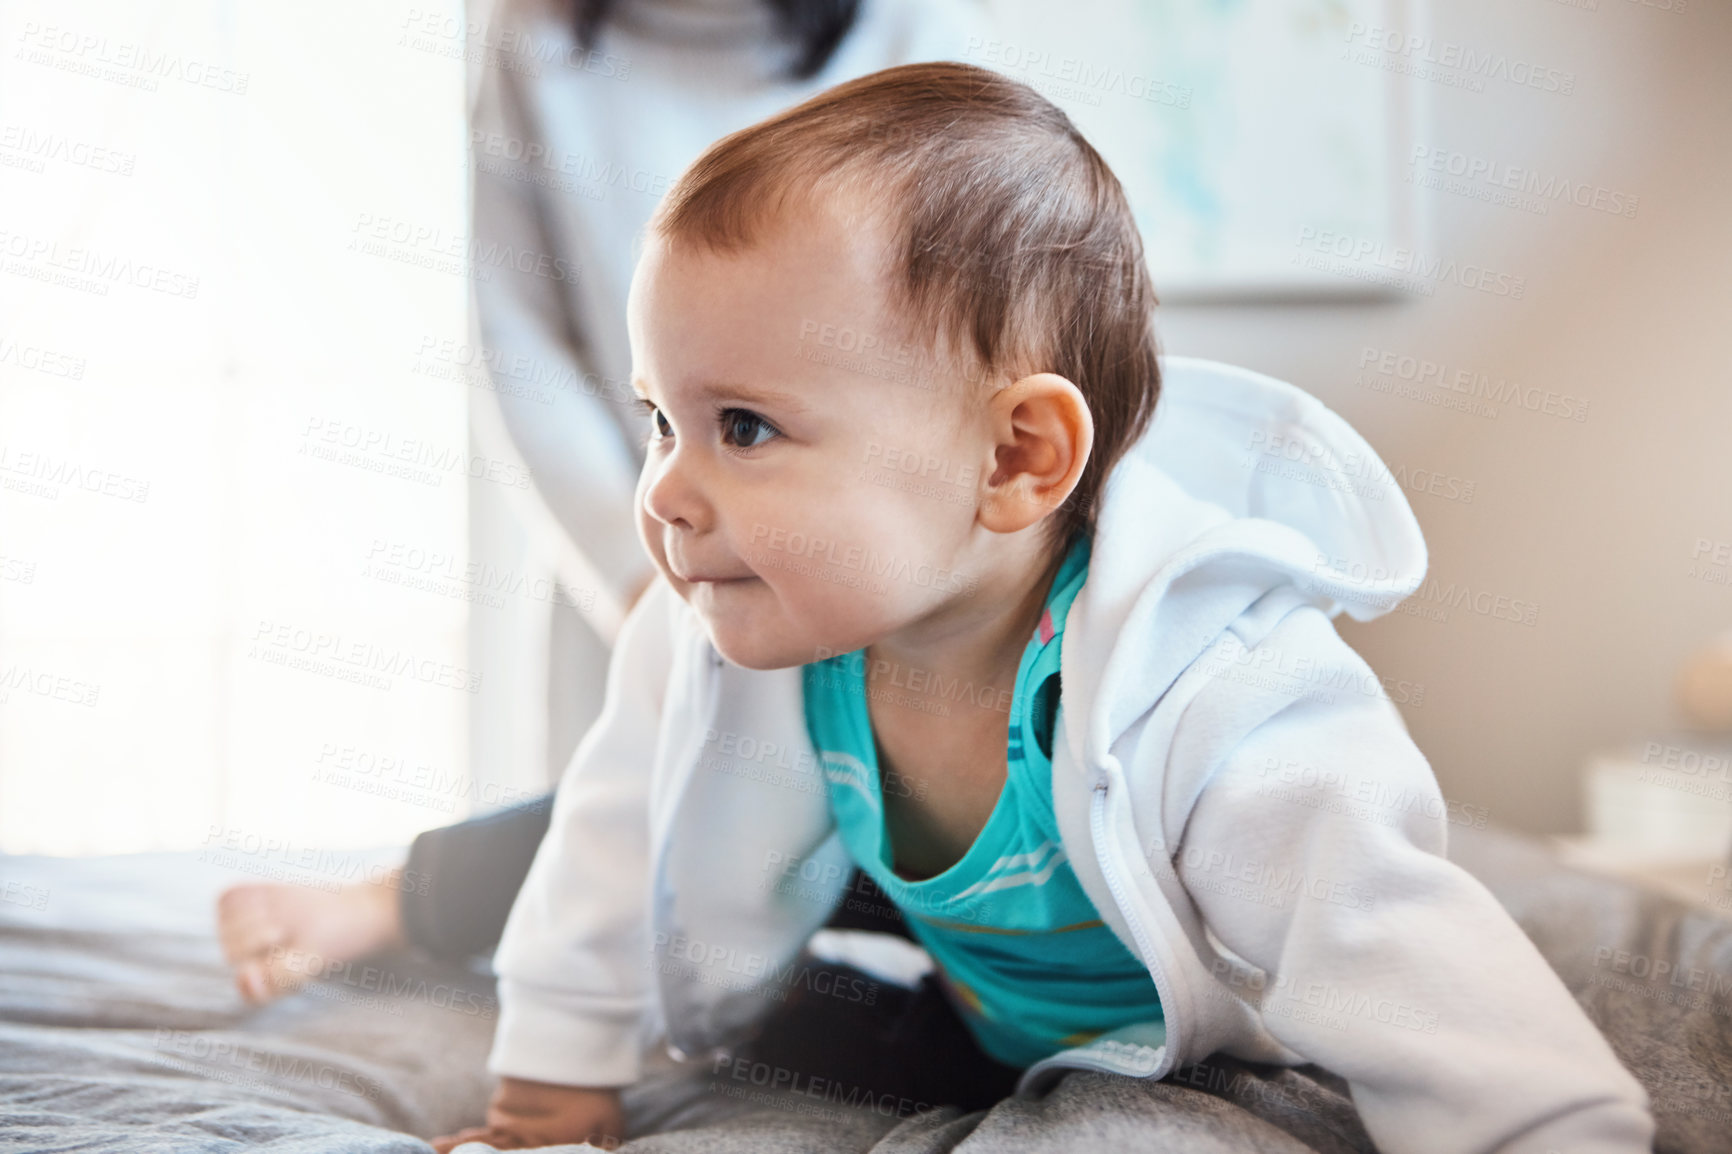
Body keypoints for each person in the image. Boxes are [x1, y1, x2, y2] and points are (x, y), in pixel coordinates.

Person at [428, 63, 1656, 1153]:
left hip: (1209, 1040)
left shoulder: (1213, 688)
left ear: (1015, 456)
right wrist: (548, 1085)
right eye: (659, 419)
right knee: (780, 1025)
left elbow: (1399, 954)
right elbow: (610, 843)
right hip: (964, 1014)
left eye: (742, 426)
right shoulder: (725, 635)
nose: (666, 492)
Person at [216, 0, 981, 1005]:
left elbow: (955, 318)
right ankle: (388, 902)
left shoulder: (904, 27)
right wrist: (641, 574)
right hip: (638, 559)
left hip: (870, 542)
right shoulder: (531, 33)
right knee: (649, 814)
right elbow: (519, 342)